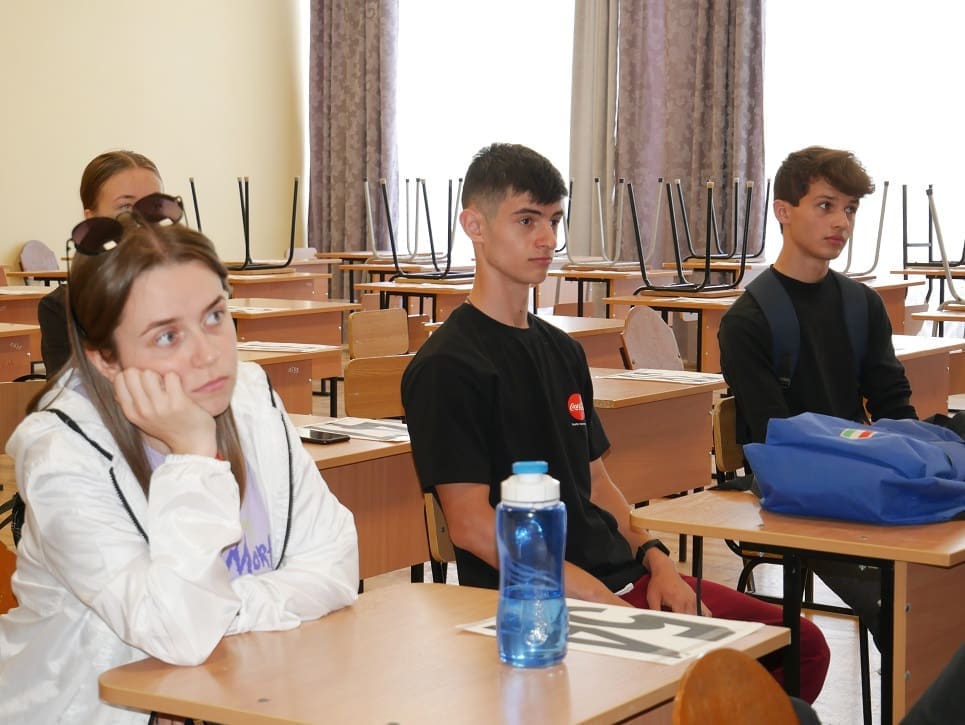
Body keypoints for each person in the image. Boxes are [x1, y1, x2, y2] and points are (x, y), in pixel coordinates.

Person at [401, 143, 830, 704]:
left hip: (626, 577)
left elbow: (597, 483)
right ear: (474, 226)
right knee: (718, 686)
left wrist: (658, 559)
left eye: (555, 220)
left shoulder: (562, 351)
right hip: (544, 600)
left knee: (802, 646)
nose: (546, 238)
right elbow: (470, 525)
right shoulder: (447, 366)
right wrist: (592, 595)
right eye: (527, 220)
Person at [0, 197, 359, 723]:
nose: (208, 353)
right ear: (105, 358)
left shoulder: (250, 394)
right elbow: (180, 633)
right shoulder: (61, 455)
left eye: (215, 315)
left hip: (245, 692)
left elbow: (336, 564)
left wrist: (221, 609)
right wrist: (193, 454)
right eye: (167, 335)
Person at [718, 146, 917, 648]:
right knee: (902, 603)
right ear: (783, 212)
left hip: (862, 472)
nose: (841, 222)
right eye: (825, 206)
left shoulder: (862, 304)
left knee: (939, 577)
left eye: (849, 209)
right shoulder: (748, 321)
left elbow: (893, 404)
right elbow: (775, 436)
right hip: (798, 487)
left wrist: (915, 465)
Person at [39, 149, 165, 376]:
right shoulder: (63, 308)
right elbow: (75, 391)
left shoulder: (186, 287)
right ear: (92, 218)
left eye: (154, 206)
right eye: (126, 207)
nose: (142, 219)